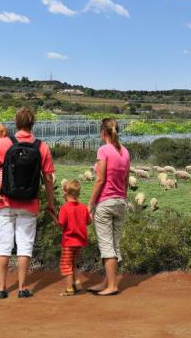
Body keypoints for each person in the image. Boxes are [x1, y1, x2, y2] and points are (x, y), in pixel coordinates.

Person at [0, 107, 55, 299]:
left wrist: (2, 173)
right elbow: (48, 179)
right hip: (29, 204)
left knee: (3, 245)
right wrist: (51, 203)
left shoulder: (4, 143)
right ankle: (23, 288)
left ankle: (1, 288)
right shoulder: (42, 147)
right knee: (25, 246)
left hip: (5, 203)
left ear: (16, 123)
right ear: (33, 123)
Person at [87, 118, 130, 296]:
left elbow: (100, 179)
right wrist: (122, 196)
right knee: (115, 244)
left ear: (102, 132)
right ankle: (107, 281)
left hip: (105, 202)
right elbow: (126, 180)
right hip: (120, 201)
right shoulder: (126, 152)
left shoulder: (103, 150)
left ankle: (112, 286)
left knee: (106, 246)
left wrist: (91, 203)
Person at [56, 179, 91, 297]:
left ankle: (69, 288)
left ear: (65, 194)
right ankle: (76, 284)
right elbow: (89, 222)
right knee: (74, 264)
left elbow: (61, 224)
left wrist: (54, 217)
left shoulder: (64, 208)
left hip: (68, 242)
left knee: (66, 265)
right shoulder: (83, 207)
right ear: (79, 194)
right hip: (80, 242)